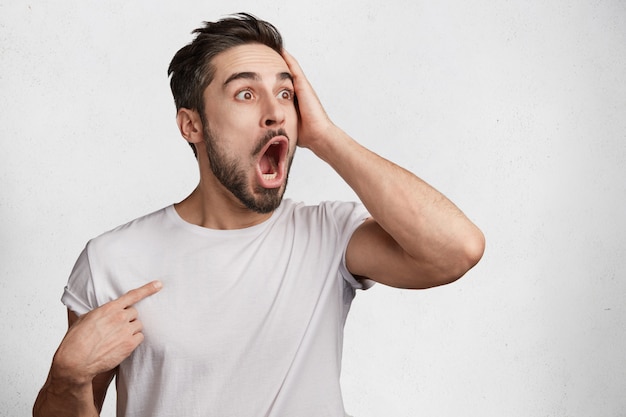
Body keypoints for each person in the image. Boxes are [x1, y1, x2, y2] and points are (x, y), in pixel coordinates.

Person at [33, 13, 485, 417]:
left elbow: (457, 250)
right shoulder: (114, 259)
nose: (275, 114)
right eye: (246, 93)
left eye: (285, 94)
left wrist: (325, 136)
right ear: (192, 125)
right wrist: (66, 376)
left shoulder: (328, 235)